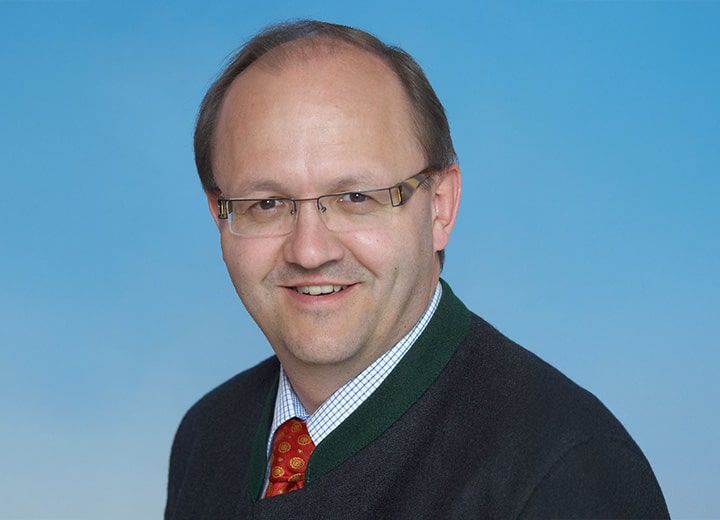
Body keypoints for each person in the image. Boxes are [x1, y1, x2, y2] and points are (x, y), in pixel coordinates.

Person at [166, 20, 669, 519]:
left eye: (356, 197)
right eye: (267, 203)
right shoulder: (207, 435)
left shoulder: (563, 472)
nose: (310, 251)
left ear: (440, 208)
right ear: (219, 216)